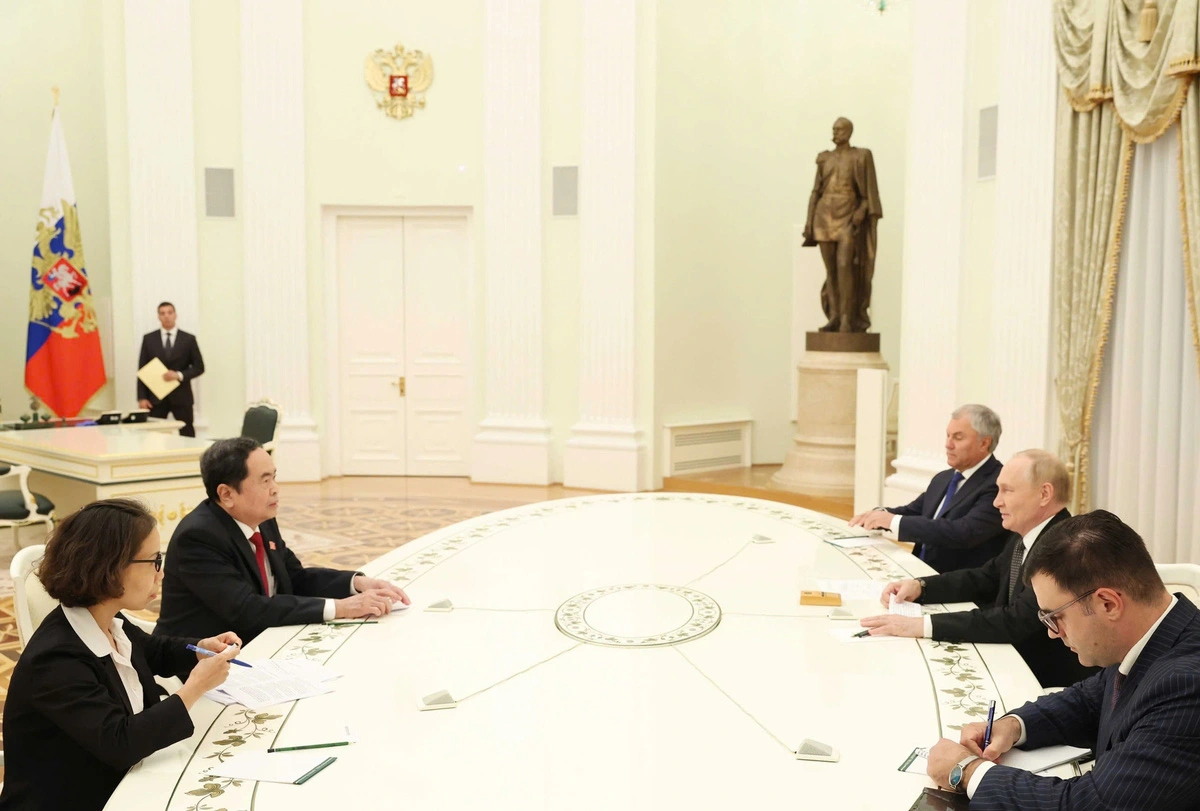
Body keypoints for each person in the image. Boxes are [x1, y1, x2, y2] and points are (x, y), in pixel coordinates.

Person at [926, 510, 1200, 809]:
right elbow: (1089, 700)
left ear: (1108, 603)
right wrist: (1015, 726)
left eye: (1056, 617)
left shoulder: (1186, 684)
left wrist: (966, 772)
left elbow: (1090, 805)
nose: (1053, 634)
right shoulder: (1153, 635)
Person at [0, 499, 240, 811]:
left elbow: (153, 650)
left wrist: (200, 648)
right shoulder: (55, 658)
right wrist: (194, 687)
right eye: (154, 561)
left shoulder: (109, 620)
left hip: (126, 783)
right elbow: (120, 742)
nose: (161, 573)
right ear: (110, 566)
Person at [858, 450, 1098, 688]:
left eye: (1007, 490)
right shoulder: (1032, 533)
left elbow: (1015, 621)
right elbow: (985, 577)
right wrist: (921, 587)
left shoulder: (1064, 547)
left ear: (1044, 494)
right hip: (1012, 663)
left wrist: (920, 625)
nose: (997, 501)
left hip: (1042, 680)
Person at [155, 438, 410, 652]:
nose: (276, 489)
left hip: (262, 642)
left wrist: (355, 584)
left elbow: (295, 577)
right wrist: (341, 608)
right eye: (265, 481)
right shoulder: (199, 537)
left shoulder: (262, 520)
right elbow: (247, 609)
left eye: (274, 478)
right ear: (227, 494)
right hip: (204, 660)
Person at [849, 404, 1008, 572]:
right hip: (918, 574)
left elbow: (962, 532)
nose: (948, 444)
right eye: (948, 436)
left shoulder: (999, 483)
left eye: (958, 438)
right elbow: (913, 511)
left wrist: (893, 521)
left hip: (958, 584)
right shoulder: (944, 478)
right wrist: (878, 515)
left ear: (984, 443)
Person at [802, 116, 883, 333]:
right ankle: (835, 317)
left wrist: (861, 211)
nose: (835, 133)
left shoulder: (861, 156)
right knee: (831, 271)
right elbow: (815, 192)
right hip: (824, 216)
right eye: (834, 129)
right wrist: (809, 222)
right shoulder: (824, 158)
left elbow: (868, 195)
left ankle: (849, 318)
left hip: (847, 216)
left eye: (839, 129)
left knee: (845, 267)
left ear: (848, 132)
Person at [137, 301, 205, 437]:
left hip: (181, 395)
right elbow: (142, 369)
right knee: (153, 435)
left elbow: (199, 367)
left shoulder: (188, 339)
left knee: (187, 432)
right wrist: (142, 397)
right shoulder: (149, 339)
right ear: (158, 317)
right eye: (162, 313)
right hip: (156, 397)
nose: (166, 316)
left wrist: (179, 375)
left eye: (169, 313)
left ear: (175, 315)